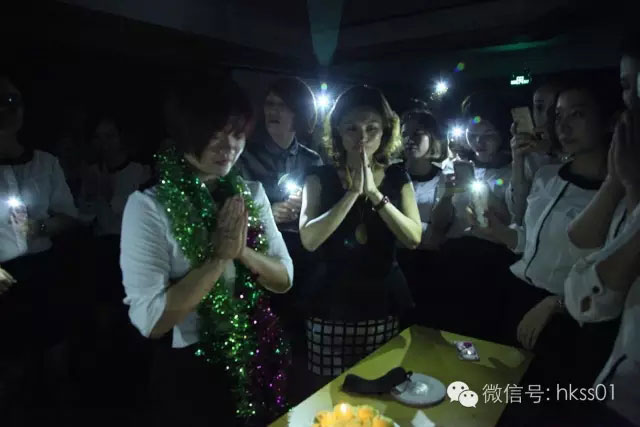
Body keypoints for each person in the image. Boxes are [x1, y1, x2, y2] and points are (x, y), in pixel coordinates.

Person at [119, 76, 293, 426]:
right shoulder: (149, 206)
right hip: (189, 371)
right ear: (184, 133)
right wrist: (219, 259)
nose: (229, 146)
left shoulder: (250, 194)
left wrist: (241, 252)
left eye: (237, 134)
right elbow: (151, 322)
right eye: (214, 134)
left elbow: (284, 278)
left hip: (252, 350)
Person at [470, 80, 619, 388]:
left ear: (608, 121)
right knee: (498, 393)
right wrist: (498, 231)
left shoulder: (616, 193)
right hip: (516, 294)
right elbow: (528, 241)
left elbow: (613, 275)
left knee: (547, 398)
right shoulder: (546, 175)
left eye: (577, 114)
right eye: (559, 115)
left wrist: (557, 303)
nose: (563, 125)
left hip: (564, 318)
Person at [299, 85, 421, 377]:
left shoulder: (397, 176)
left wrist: (375, 195)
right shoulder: (318, 177)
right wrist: (353, 192)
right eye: (352, 128)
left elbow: (413, 237)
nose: (362, 137)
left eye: (372, 128)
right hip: (329, 303)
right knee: (326, 391)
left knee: (380, 385)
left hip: (381, 301)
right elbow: (310, 239)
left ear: (385, 132)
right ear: (339, 132)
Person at [0, 75, 79, 417]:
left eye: (13, 100)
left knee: (53, 351)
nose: (6, 108)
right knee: (9, 364)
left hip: (42, 270)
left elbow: (69, 216)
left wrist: (39, 227)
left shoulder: (45, 163)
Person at [237, 77, 322, 232]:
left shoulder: (311, 161)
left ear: (299, 112)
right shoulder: (245, 156)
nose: (273, 111)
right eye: (269, 104)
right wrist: (267, 213)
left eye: (282, 105)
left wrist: (305, 205)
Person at [507, 82, 562, 224]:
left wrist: (553, 151)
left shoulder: (583, 151)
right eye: (539, 107)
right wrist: (518, 160)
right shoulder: (530, 154)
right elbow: (518, 214)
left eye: (555, 109)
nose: (547, 116)